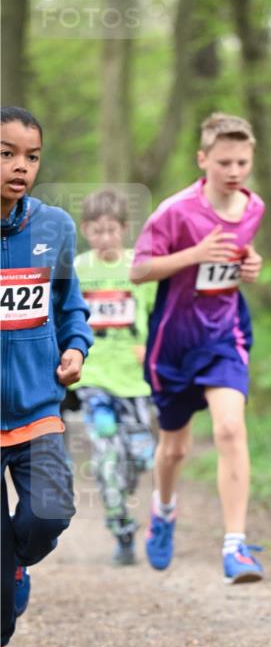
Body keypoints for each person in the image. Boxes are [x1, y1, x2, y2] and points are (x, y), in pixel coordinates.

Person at [131, 112, 265, 583]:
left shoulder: (253, 209)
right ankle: (164, 511)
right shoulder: (175, 211)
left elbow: (237, 260)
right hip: (173, 343)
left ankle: (236, 547)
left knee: (231, 429)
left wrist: (249, 265)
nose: (234, 171)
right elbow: (139, 269)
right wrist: (194, 255)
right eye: (224, 162)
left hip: (224, 334)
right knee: (175, 450)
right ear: (203, 159)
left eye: (242, 162)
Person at [1, 106, 93, 647]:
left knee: (51, 514)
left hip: (38, 408)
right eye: (7, 153)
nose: (20, 167)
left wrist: (76, 349)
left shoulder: (54, 227)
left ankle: (12, 567)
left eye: (31, 157)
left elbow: (70, 308)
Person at [72, 189, 156, 566]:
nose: (105, 238)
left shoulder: (140, 267)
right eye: (97, 231)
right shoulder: (77, 270)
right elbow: (65, 315)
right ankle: (120, 526)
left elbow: (158, 314)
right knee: (106, 450)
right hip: (94, 377)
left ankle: (127, 488)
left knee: (138, 458)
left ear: (124, 229)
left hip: (134, 378)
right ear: (86, 229)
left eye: (112, 231)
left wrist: (151, 347)